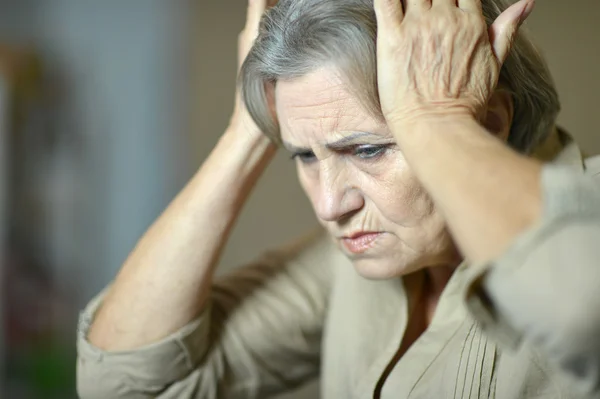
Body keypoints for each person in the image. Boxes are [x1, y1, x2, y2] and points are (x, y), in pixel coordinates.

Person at [76, 0, 600, 398]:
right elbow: (120, 379)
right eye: (304, 156)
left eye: (368, 149)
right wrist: (248, 130)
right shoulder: (355, 265)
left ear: (487, 121)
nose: (330, 206)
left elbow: (580, 305)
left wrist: (436, 117)